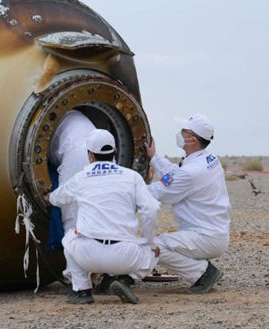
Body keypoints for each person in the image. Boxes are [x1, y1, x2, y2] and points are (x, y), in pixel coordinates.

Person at [47, 129, 160, 305]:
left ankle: (81, 291)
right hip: (126, 257)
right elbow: (151, 209)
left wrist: (47, 197)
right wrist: (148, 240)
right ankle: (125, 281)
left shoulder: (81, 177)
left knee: (69, 239)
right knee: (155, 250)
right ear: (114, 152)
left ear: (90, 155)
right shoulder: (132, 177)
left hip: (88, 255)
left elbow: (57, 198)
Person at [141, 113, 231, 294]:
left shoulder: (191, 172)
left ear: (193, 140)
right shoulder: (208, 160)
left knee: (153, 247)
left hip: (205, 237)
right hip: (214, 233)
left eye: (184, 131)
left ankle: (203, 273)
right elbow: (176, 176)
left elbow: (160, 192)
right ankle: (200, 269)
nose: (180, 134)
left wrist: (126, 190)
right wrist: (154, 158)